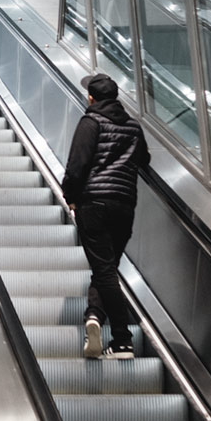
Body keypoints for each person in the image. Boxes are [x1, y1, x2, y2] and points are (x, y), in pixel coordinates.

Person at [62, 72, 151, 359]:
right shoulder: (134, 128)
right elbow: (144, 159)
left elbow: (78, 165)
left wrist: (70, 197)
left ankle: (123, 339)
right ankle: (94, 315)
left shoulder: (91, 122)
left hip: (95, 203)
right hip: (124, 205)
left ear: (91, 97)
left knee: (104, 269)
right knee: (107, 268)